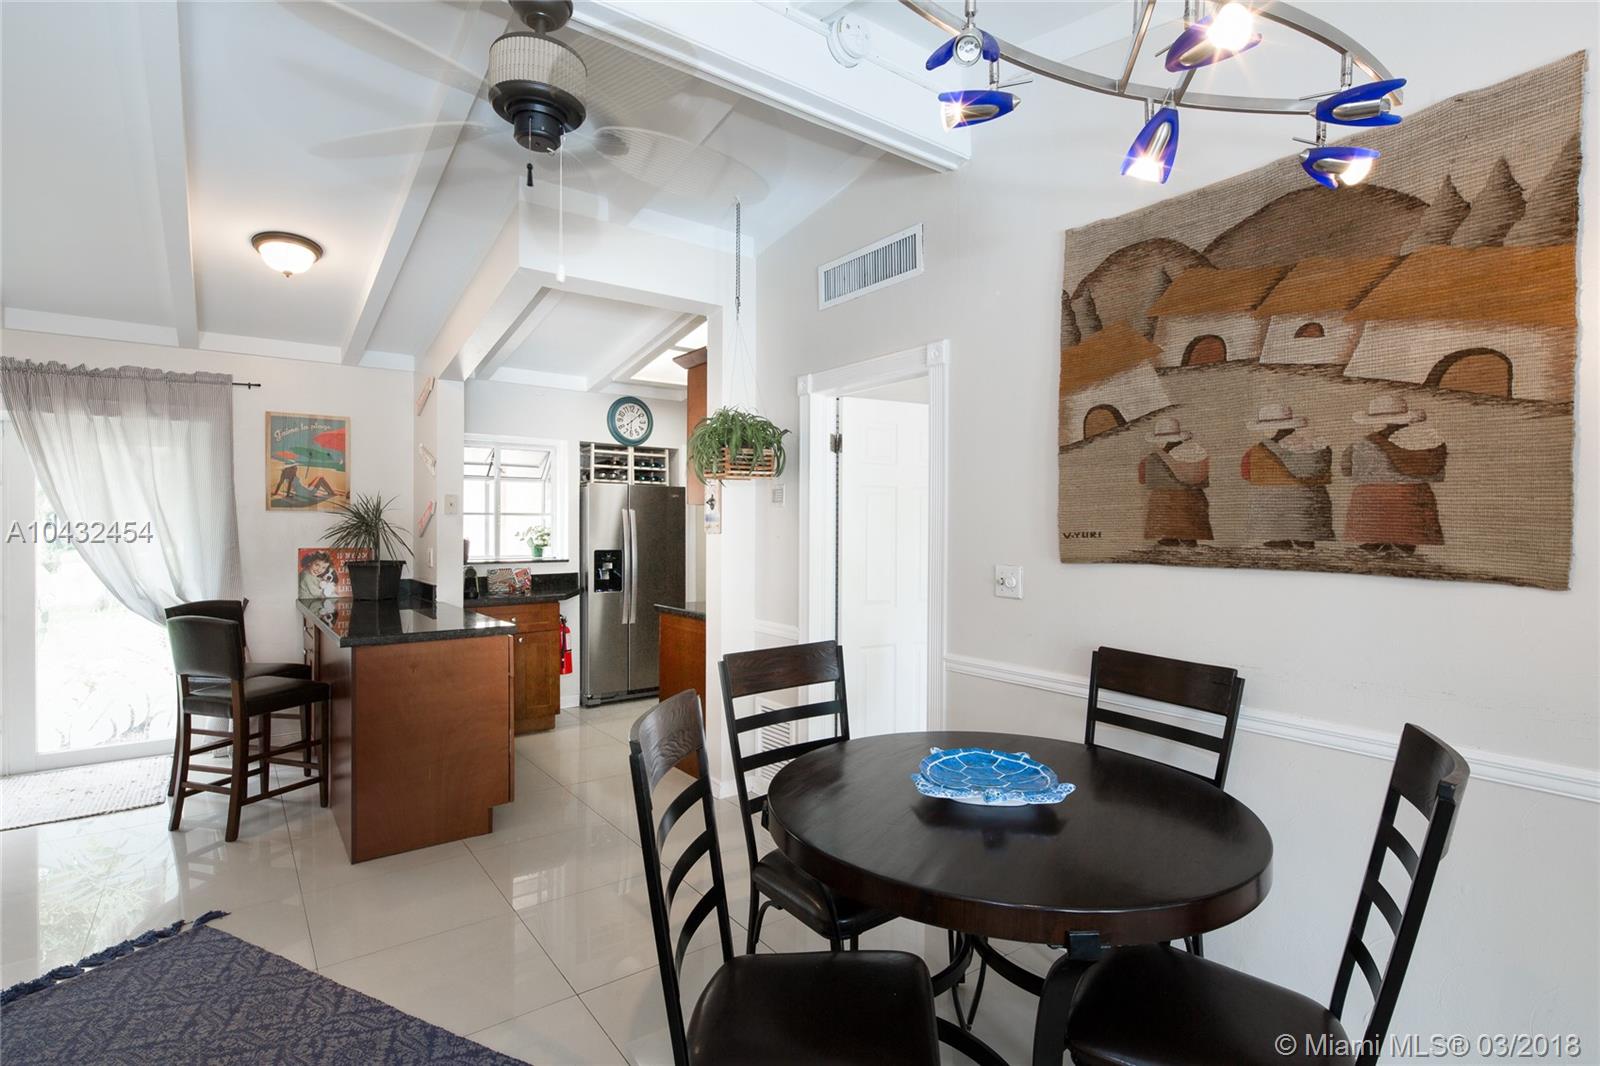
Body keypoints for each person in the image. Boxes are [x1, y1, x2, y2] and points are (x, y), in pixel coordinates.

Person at [1340, 394, 1447, 555]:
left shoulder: (1361, 444)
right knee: (1408, 529)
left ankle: (1377, 544)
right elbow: (1437, 471)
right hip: (1415, 495)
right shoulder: (1431, 441)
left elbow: (1347, 470)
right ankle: (1404, 546)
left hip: (1373, 497)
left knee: (1373, 515)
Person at [1239, 403, 1334, 550]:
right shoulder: (1315, 446)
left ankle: (1279, 542)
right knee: (1305, 532)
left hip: (1272, 505)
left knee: (1275, 531)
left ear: (1271, 429)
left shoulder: (1257, 451)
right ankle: (1305, 541)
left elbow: (1246, 474)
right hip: (1310, 505)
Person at [1138, 416, 1212, 547]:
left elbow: (1142, 479)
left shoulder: (1152, 458)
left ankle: (1169, 540)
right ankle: (1189, 541)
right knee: (1190, 523)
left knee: (1166, 521)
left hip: (1164, 498)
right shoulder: (1196, 452)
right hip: (1194, 497)